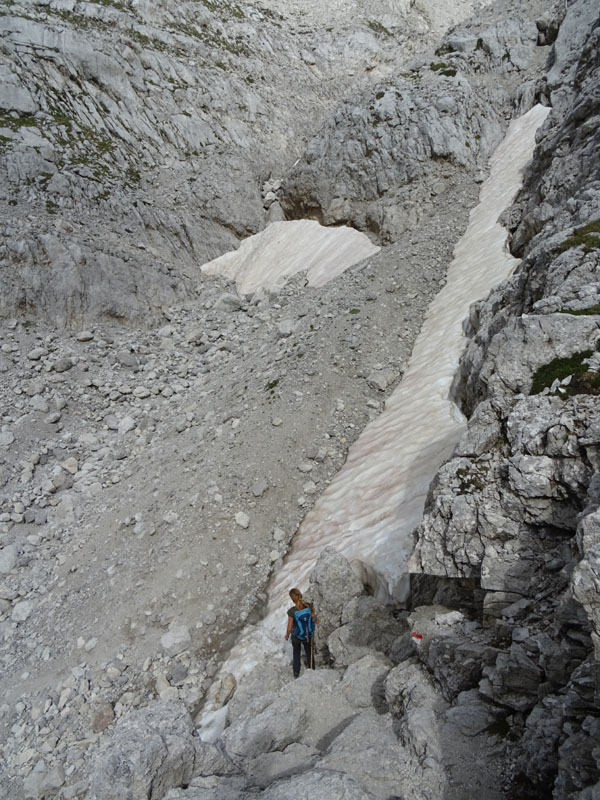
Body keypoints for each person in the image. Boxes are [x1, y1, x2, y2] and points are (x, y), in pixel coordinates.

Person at [285, 587, 318, 678]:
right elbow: (315, 620)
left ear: (292, 599)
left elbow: (289, 627)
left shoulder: (292, 611)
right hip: (308, 635)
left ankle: (296, 673)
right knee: (309, 652)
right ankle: (312, 669)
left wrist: (287, 635)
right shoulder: (308, 606)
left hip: (296, 637)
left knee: (296, 653)